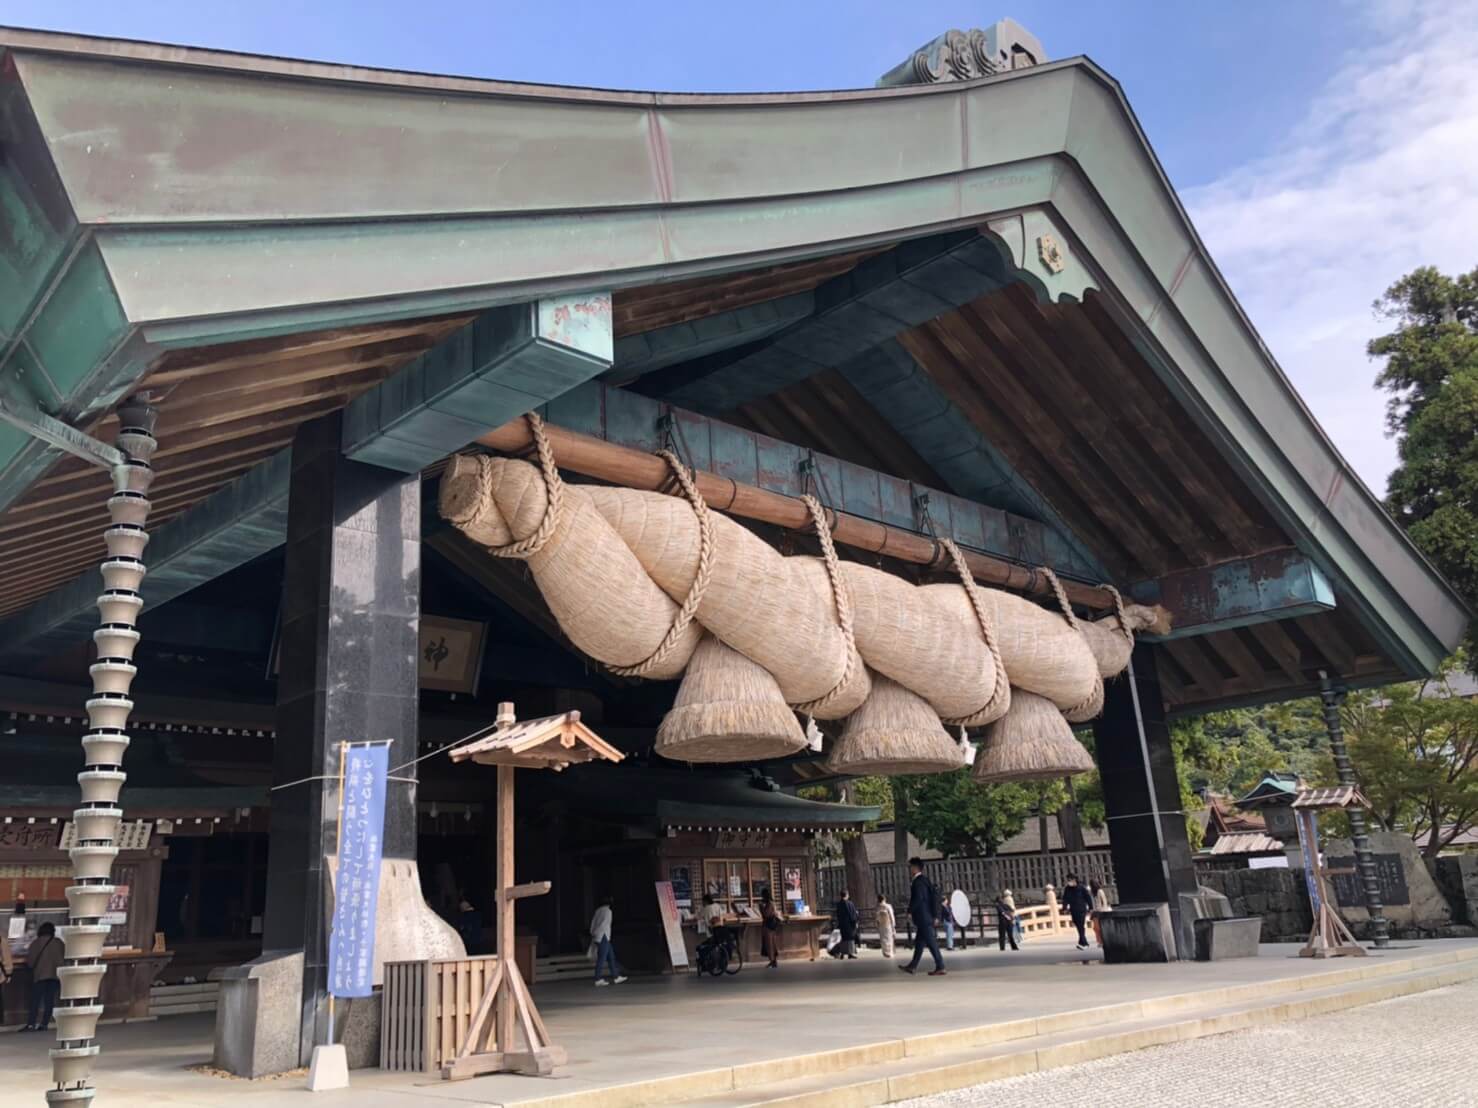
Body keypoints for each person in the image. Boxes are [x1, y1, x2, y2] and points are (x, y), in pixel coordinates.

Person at [900, 858, 945, 976]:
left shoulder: (918, 882)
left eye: (911, 867)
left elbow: (918, 898)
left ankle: (940, 966)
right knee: (919, 943)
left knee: (931, 942)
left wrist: (910, 910)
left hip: (923, 917)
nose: (910, 869)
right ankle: (913, 966)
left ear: (915, 868)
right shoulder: (924, 880)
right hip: (926, 916)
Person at [24, 922, 63, 1031]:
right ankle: (44, 1024)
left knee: (35, 1000)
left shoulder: (36, 943)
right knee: (49, 1000)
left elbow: (30, 962)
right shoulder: (59, 943)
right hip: (55, 975)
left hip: (40, 975)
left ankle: (31, 1024)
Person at [589, 895, 627, 986]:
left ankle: (616, 976)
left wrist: (593, 933)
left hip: (598, 936)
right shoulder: (608, 911)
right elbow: (605, 924)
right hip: (604, 936)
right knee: (602, 958)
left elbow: (593, 923)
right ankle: (598, 979)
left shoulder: (598, 910)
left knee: (611, 957)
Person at [1061, 874, 1094, 950]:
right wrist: (1064, 908)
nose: (1069, 881)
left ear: (1074, 879)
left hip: (1081, 909)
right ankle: (1083, 942)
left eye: (1070, 880)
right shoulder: (1067, 889)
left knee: (1080, 925)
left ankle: (1084, 943)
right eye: (1068, 880)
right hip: (1073, 909)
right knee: (1078, 925)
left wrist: (1091, 907)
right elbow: (1065, 899)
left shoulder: (1081, 888)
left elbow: (1088, 898)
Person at [832, 890, 860, 959]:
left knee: (843, 939)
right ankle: (850, 953)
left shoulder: (839, 904)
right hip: (849, 924)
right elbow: (852, 914)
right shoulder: (849, 903)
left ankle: (842, 953)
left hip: (842, 924)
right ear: (847, 895)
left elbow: (838, 914)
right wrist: (855, 921)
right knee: (850, 939)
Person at [759, 895, 782, 969]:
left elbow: (766, 914)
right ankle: (773, 961)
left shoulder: (769, 904)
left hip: (769, 927)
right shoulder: (772, 903)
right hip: (771, 926)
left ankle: (772, 961)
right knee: (771, 944)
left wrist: (761, 908)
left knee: (770, 944)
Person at [1090, 879, 1111, 947]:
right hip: (1095, 911)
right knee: (1095, 928)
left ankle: (1101, 941)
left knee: (1099, 928)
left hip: (1100, 911)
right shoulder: (1093, 892)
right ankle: (1099, 941)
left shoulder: (1100, 891)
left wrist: (1103, 910)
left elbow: (1104, 901)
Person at [876, 893, 896, 959]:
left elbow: (877, 917)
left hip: (881, 924)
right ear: (884, 899)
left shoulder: (878, 907)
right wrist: (893, 925)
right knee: (889, 938)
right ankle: (890, 952)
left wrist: (877, 924)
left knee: (883, 939)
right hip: (888, 924)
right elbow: (891, 916)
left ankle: (885, 952)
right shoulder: (888, 906)